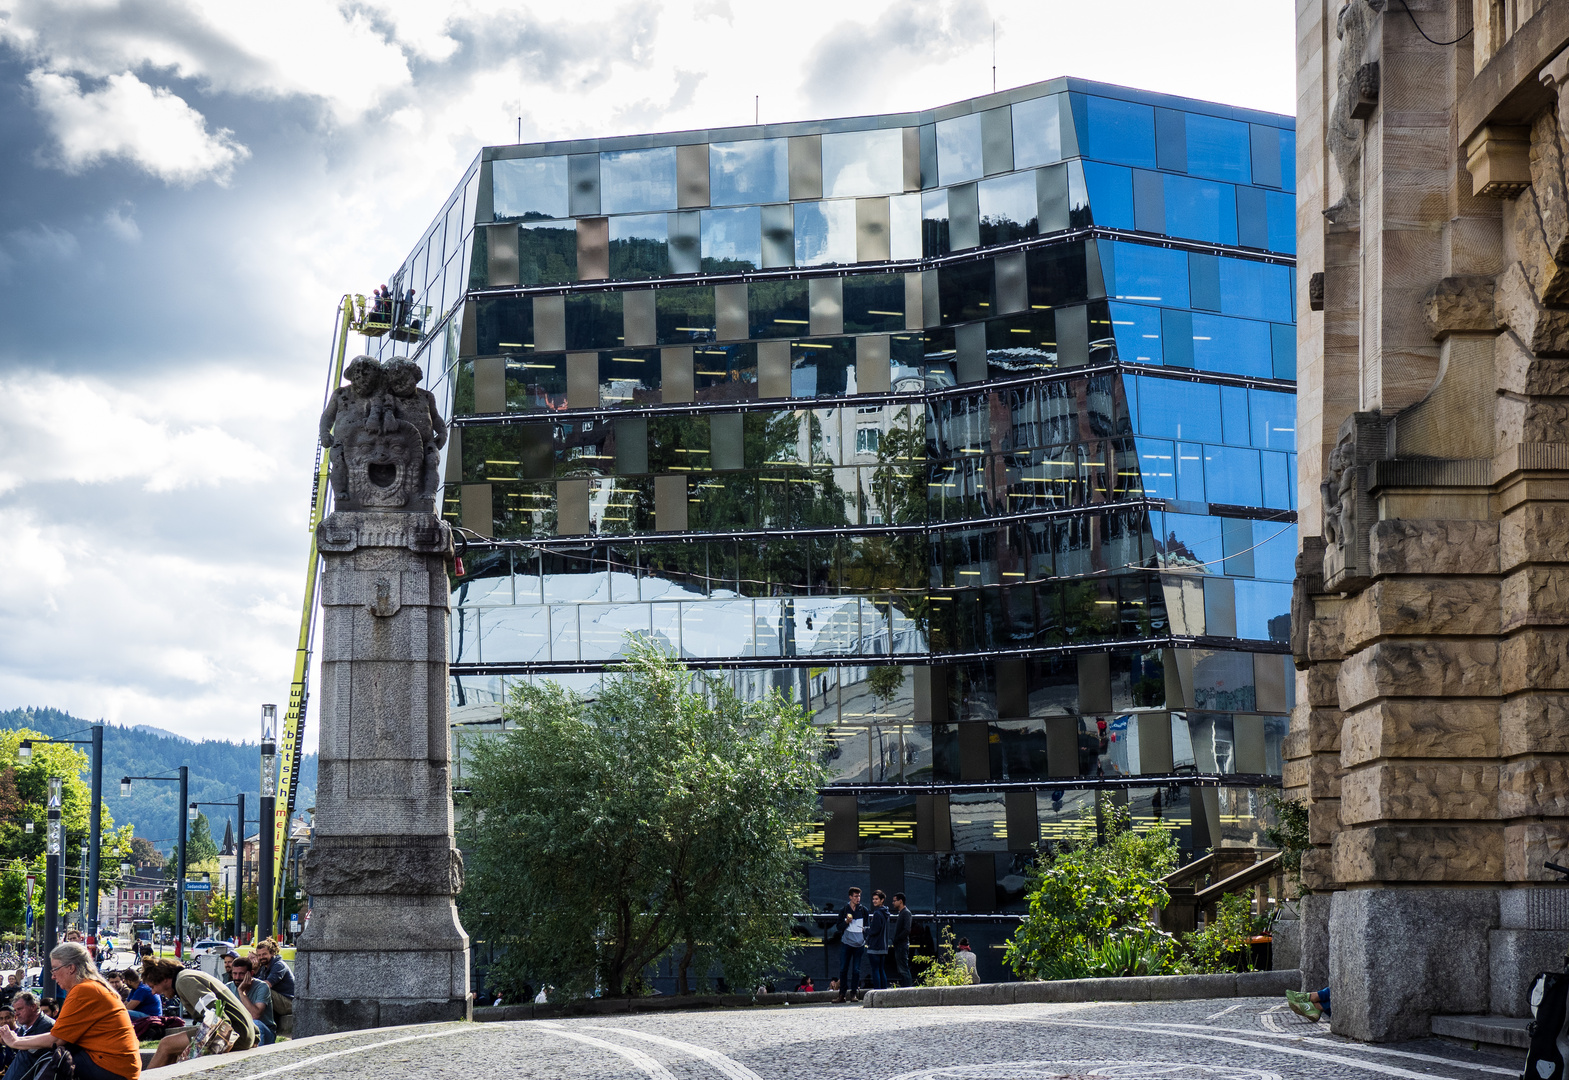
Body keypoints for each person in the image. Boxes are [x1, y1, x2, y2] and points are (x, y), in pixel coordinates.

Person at [0, 943, 138, 1080]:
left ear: (71, 968)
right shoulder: (93, 986)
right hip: (120, 1066)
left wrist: (16, 1042)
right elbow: (59, 1036)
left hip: (111, 1067)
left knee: (47, 1056)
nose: (53, 976)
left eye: (55, 969)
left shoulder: (83, 990)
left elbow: (56, 1040)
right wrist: (17, 1040)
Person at [1, 993, 53, 1080]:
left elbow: (31, 1060)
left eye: (20, 1009)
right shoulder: (24, 1028)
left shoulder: (47, 1027)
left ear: (33, 1007)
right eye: (15, 1010)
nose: (16, 1014)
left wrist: (14, 1042)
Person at [229, 957, 275, 1045]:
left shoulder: (262, 987)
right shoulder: (228, 987)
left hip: (265, 1032)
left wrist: (241, 992)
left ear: (251, 974)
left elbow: (255, 1015)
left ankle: (257, 1056)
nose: (237, 977)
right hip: (240, 1031)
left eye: (241, 974)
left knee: (256, 1024)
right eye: (235, 973)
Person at [836, 887, 869, 1003]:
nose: (858, 898)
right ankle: (842, 994)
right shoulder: (844, 910)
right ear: (850, 897)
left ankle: (853, 993)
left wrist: (864, 938)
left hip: (859, 944)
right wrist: (846, 922)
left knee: (856, 970)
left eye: (859, 896)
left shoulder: (864, 910)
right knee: (843, 969)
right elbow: (838, 927)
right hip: (847, 943)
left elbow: (867, 927)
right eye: (855, 896)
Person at [252, 940, 293, 1020]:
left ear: (272, 953)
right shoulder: (264, 967)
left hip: (289, 1003)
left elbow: (266, 985)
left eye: (264, 954)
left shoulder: (279, 965)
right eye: (259, 955)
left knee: (265, 990)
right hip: (280, 1001)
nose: (261, 957)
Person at [863, 890, 891, 992]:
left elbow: (874, 930)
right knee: (881, 969)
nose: (874, 901)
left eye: (876, 899)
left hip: (875, 946)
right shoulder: (886, 913)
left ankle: (878, 992)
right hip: (883, 946)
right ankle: (884, 991)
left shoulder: (877, 913)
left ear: (882, 900)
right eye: (873, 899)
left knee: (875, 970)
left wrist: (865, 930)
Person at [889, 893, 914, 988]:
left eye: (895, 901)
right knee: (902, 969)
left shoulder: (906, 913)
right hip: (900, 945)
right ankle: (905, 988)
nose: (893, 903)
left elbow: (907, 930)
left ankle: (908, 989)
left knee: (904, 969)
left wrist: (897, 938)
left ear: (901, 901)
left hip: (902, 945)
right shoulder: (902, 913)